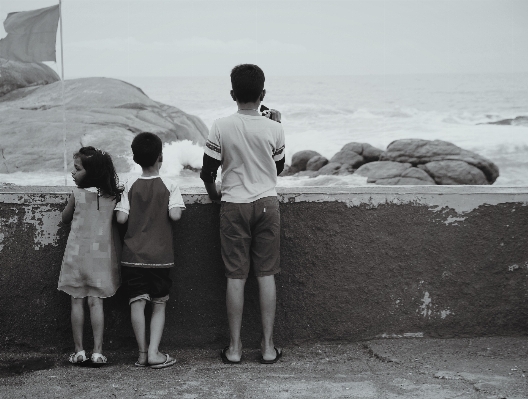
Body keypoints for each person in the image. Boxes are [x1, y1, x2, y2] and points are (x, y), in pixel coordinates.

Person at [201, 64, 285, 364]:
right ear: (263, 94)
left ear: (233, 94)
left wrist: (215, 197)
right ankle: (267, 347)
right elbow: (278, 168)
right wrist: (275, 122)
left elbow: (208, 172)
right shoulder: (275, 127)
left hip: (234, 204)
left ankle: (235, 349)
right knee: (266, 275)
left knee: (235, 277)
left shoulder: (220, 126)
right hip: (267, 204)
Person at [115, 132, 186, 369]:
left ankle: (142, 354)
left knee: (137, 302)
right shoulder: (170, 184)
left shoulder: (129, 185)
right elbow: (175, 214)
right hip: (160, 258)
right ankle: (155, 353)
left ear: (135, 159)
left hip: (132, 257)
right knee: (158, 304)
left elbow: (121, 218)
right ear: (161, 157)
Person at [58, 146, 124, 366]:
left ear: (91, 172)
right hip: (100, 258)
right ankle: (97, 352)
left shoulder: (76, 194)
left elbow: (64, 218)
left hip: (76, 257)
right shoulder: (111, 197)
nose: (73, 173)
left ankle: (78, 351)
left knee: (76, 302)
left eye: (77, 169)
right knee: (96, 303)